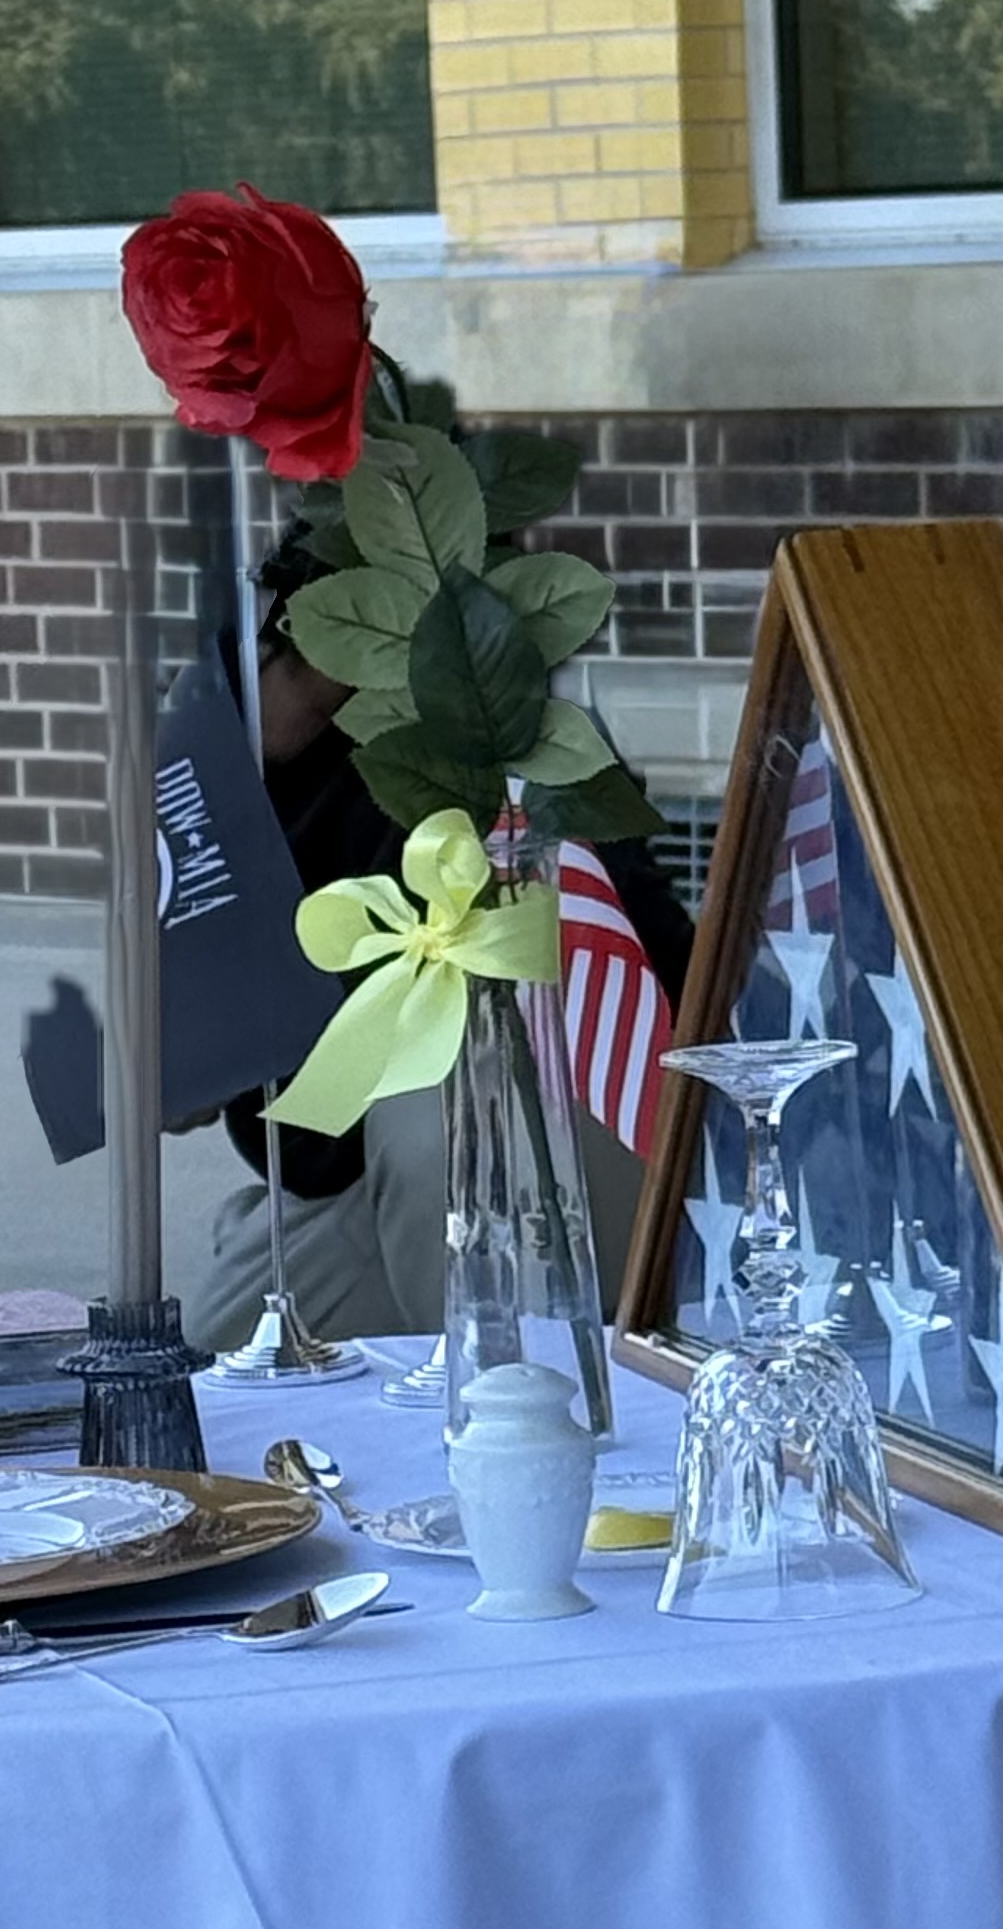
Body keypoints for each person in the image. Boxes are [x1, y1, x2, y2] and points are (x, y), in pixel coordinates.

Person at [177, 524, 698, 1352]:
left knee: (451, 1140)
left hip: (548, 1126)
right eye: (288, 631)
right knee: (218, 1362)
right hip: (340, 1171)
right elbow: (182, 1080)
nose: (291, 665)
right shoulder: (211, 738)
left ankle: (524, 1413)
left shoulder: (488, 748)